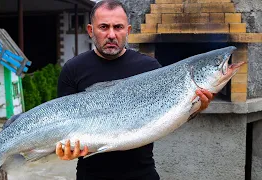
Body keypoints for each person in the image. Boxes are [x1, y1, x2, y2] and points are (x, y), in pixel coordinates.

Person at [56, 0, 214, 179]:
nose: (111, 34)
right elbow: (64, 126)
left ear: (128, 31)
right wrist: (65, 151)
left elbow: (168, 114)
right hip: (91, 175)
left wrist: (196, 108)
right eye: (104, 27)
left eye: (118, 27)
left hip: (142, 173)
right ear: (91, 30)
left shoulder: (150, 68)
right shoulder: (72, 69)